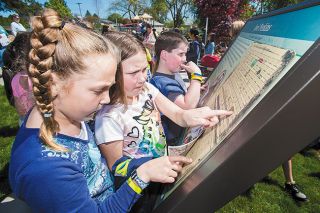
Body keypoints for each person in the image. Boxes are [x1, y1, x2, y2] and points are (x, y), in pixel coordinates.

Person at [9, 9, 194, 212]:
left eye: (110, 87)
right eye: (99, 90)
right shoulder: (46, 168)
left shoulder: (69, 115)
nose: (107, 99)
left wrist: (144, 165)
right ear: (54, 84)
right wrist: (141, 177)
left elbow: (109, 165)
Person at [95, 31, 232, 212]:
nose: (143, 78)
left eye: (145, 69)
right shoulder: (108, 117)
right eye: (134, 72)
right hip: (139, 192)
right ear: (111, 73)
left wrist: (198, 114)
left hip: (163, 175)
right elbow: (116, 166)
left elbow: (178, 114)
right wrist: (148, 167)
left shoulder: (147, 89)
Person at [150, 31, 204, 145]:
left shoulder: (173, 74)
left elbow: (179, 94)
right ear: (164, 55)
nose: (185, 59)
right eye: (180, 54)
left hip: (180, 134)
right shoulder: (161, 82)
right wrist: (197, 76)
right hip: (173, 142)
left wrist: (194, 89)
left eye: (185, 54)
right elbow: (187, 106)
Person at [2, 32, 34, 125]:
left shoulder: (15, 78)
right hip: (37, 122)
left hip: (25, 122)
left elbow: (20, 110)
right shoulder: (38, 76)